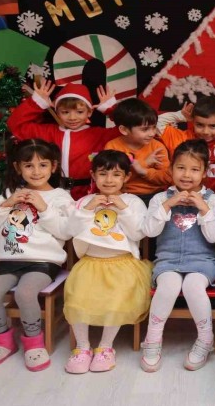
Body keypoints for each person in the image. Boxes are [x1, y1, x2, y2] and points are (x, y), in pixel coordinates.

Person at [0, 138, 73, 371]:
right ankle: (2, 341)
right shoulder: (10, 193)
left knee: (25, 292)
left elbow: (65, 231)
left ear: (53, 166)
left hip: (42, 261)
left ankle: (34, 343)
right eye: (29, 165)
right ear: (18, 168)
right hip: (8, 259)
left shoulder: (61, 197)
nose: (36, 171)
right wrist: (6, 204)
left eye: (43, 165)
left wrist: (44, 208)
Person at [139, 139, 215, 373]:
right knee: (169, 285)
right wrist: (168, 204)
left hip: (202, 262)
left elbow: (214, 237)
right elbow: (149, 232)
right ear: (171, 169)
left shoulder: (214, 200)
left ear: (204, 172)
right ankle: (152, 340)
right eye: (181, 168)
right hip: (168, 261)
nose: (187, 175)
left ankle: (205, 339)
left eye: (195, 169)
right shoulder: (160, 198)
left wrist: (203, 208)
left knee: (192, 286)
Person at [63, 150, 151, 374]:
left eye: (116, 174)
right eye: (103, 174)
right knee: (77, 298)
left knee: (116, 299)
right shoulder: (85, 201)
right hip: (90, 263)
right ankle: (82, 347)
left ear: (126, 177)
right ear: (93, 175)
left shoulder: (132, 202)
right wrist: (89, 208)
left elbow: (138, 233)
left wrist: (122, 208)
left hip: (123, 264)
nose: (109, 180)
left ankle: (105, 347)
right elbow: (70, 230)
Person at [8, 80, 119, 199]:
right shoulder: (46, 132)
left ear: (89, 112)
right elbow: (15, 125)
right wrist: (36, 103)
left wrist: (111, 110)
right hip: (51, 192)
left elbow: (127, 129)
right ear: (57, 112)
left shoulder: (99, 134)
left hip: (89, 194)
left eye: (79, 112)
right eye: (65, 112)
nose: (72, 117)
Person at [105, 98, 171, 204]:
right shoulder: (112, 147)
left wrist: (143, 171)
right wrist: (144, 163)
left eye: (154, 127)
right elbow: (111, 179)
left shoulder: (157, 147)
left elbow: (167, 178)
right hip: (123, 196)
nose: (152, 133)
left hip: (154, 196)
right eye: (145, 129)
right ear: (124, 130)